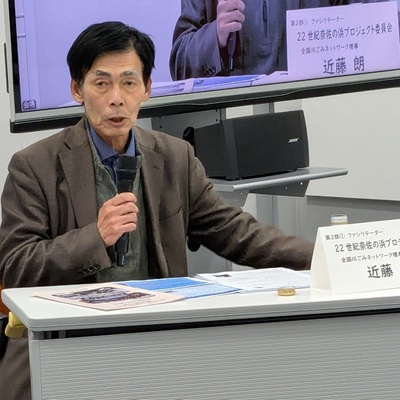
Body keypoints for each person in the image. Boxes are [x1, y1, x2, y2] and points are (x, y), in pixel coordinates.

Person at [0, 21, 313, 400]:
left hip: (155, 336)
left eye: (129, 83)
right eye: (101, 83)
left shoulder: (175, 156)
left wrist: (324, 257)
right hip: (65, 340)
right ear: (77, 89)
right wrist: (95, 237)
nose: (117, 99)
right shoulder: (34, 166)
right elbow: (16, 267)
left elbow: (235, 232)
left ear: (147, 88)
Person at [169, 0, 333, 80]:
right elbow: (180, 67)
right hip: (231, 112)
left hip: (314, 103)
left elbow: (349, 24)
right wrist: (215, 34)